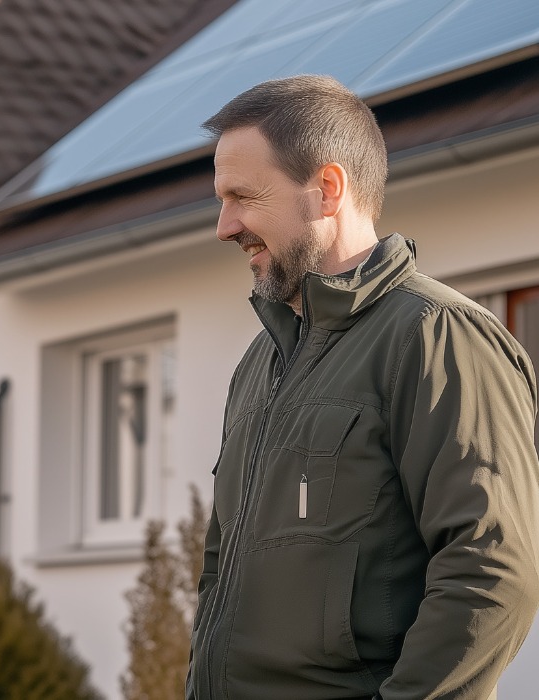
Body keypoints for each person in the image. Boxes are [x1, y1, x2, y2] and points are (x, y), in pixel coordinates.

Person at [187, 75, 539, 699]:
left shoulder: (438, 338)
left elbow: (491, 569)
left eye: (243, 196)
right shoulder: (260, 362)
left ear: (326, 190)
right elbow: (222, 570)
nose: (224, 225)